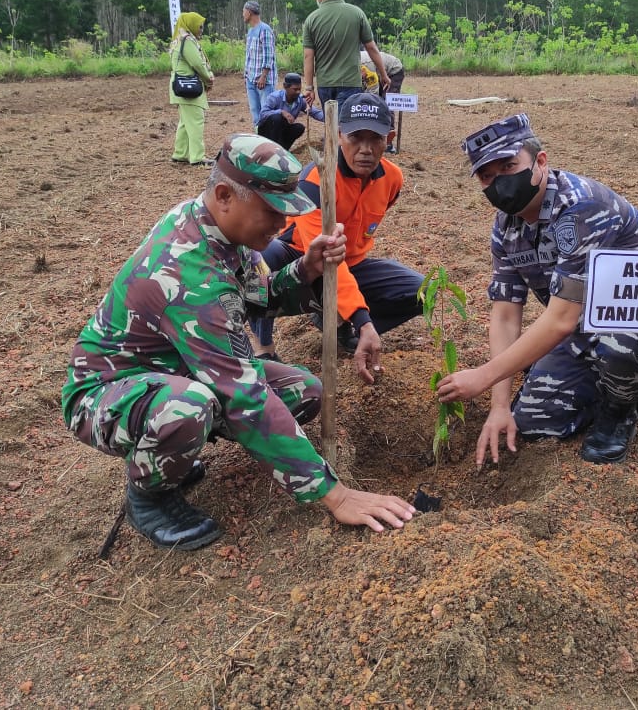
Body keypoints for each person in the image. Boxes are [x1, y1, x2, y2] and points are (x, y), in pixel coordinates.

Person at [62, 133, 416, 551]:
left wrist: (306, 268)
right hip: (108, 391)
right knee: (187, 407)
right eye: (272, 211)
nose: (283, 224)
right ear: (226, 195)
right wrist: (334, 494)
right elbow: (244, 393)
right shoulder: (188, 270)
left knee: (305, 391)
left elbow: (257, 296)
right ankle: (149, 494)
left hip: (181, 369)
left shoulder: (220, 231)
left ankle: (178, 445)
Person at [434, 114, 638, 467]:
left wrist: (483, 376)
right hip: (588, 321)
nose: (500, 183)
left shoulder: (581, 208)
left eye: (509, 166)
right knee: (534, 421)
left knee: (620, 344)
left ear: (540, 161)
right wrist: (499, 405)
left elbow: (560, 319)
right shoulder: (506, 230)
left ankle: (621, 410)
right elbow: (506, 314)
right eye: (487, 176)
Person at [250, 93, 423, 382]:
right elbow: (326, 253)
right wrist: (363, 318)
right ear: (340, 135)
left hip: (352, 264)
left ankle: (340, 324)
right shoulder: (315, 180)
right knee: (263, 261)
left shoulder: (393, 178)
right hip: (303, 260)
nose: (365, 149)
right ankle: (263, 347)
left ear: (389, 138)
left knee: (422, 291)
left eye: (375, 138)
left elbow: (350, 252)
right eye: (356, 137)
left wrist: (360, 320)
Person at [302, 0, 389, 110]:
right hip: (351, 83)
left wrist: (309, 87)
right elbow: (371, 48)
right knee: (347, 125)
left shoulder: (312, 19)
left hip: (325, 84)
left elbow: (308, 56)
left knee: (331, 124)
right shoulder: (357, 13)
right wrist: (384, 75)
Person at [169, 12, 215, 167]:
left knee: (185, 122)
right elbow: (197, 64)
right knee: (196, 121)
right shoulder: (188, 41)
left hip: (179, 85)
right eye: (199, 26)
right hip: (189, 87)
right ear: (191, 25)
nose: (201, 29)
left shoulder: (178, 40)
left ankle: (180, 153)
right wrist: (208, 78)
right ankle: (197, 157)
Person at [257, 72, 323, 150]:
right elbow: (262, 114)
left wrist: (333, 119)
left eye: (299, 89)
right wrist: (281, 112)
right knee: (277, 118)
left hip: (282, 131)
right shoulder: (275, 97)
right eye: (295, 89)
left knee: (299, 128)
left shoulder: (300, 100)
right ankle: (271, 150)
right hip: (267, 132)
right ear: (285, 86)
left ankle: (283, 150)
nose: (298, 92)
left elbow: (316, 113)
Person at [243, 0, 277, 128]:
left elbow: (269, 55)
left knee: (266, 114)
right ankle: (259, 142)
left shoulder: (265, 30)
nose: (243, 14)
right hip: (251, 79)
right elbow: (249, 56)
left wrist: (263, 76)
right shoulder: (251, 31)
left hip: (264, 81)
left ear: (250, 12)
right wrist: (246, 75)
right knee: (255, 114)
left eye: (244, 11)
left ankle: (269, 143)